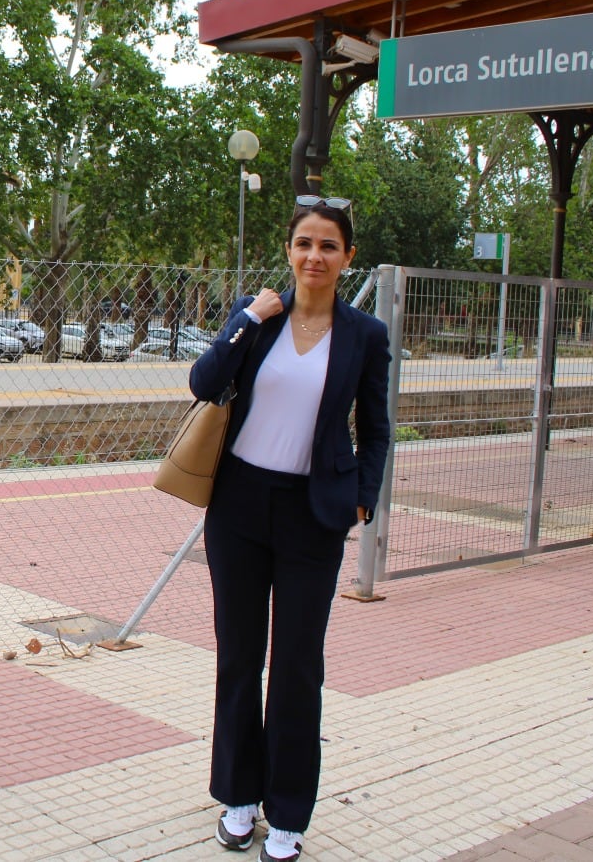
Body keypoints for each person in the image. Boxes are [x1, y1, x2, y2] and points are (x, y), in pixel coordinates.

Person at [187, 195, 391, 861]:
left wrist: (364, 496)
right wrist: (248, 316)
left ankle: (290, 816)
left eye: (329, 246)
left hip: (315, 512)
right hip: (240, 506)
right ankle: (240, 799)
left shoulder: (364, 335)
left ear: (347, 258)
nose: (315, 256)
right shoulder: (261, 317)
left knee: (299, 666)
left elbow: (377, 425)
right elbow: (204, 380)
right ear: (289, 251)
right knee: (239, 656)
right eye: (305, 243)